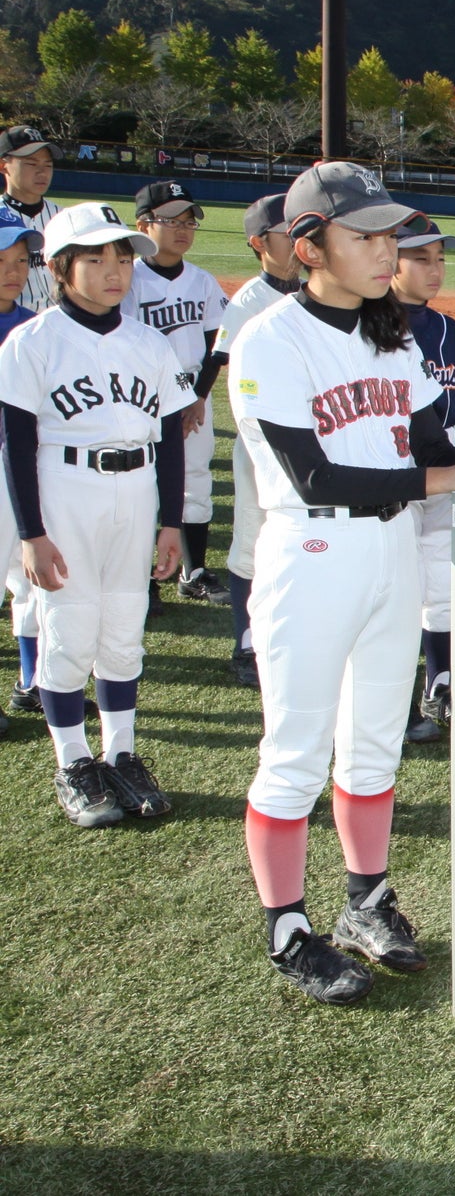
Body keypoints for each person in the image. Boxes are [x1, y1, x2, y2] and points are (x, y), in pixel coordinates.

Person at [228, 162, 455, 1004]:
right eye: (363, 235)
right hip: (312, 556)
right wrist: (447, 480)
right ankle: (287, 928)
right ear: (310, 245)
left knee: (372, 746)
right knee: (294, 756)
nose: (384, 248)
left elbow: (431, 442)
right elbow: (314, 479)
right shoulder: (269, 340)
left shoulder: (389, 336)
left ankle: (365, 899)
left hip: (393, 552)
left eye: (388, 234)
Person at [0, 203, 192, 828]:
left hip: (135, 491)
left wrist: (170, 523)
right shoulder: (32, 342)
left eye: (123, 256)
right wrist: (31, 533)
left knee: (123, 625)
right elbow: (18, 445)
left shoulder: (148, 342)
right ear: (58, 267)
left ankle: (121, 752)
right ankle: (73, 760)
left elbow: (168, 439)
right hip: (65, 486)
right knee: (69, 625)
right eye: (95, 257)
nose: (114, 269)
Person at [388, 220, 455, 745]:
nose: (434, 270)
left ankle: (440, 681)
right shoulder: (372, 325)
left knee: (443, 582)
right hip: (391, 463)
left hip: (444, 463)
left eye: (440, 259)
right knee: (397, 582)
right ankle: (393, 696)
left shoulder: (447, 328)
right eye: (420, 258)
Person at [124, 180, 230, 609]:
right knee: (140, 486)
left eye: (189, 222)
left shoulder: (202, 281)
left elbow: (214, 346)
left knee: (196, 481)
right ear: (144, 225)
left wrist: (199, 397)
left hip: (189, 398)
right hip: (141, 397)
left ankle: (194, 570)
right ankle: (139, 577)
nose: (183, 230)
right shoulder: (129, 278)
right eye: (172, 221)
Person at [210, 194, 299, 689]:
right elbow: (228, 370)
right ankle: (244, 642)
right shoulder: (248, 302)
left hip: (314, 442)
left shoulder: (314, 290)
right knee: (251, 539)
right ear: (259, 243)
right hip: (259, 449)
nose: (296, 241)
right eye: (286, 233)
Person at [0, 205, 42, 732]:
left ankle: (32, 682)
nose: (13, 269)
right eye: (1, 258)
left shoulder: (33, 327)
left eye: (20, 258)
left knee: (30, 582)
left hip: (25, 466)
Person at [0, 126, 60, 312]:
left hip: (59, 328)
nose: (42, 172)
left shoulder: (65, 219)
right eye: (32, 164)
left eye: (48, 165)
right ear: (3, 166)